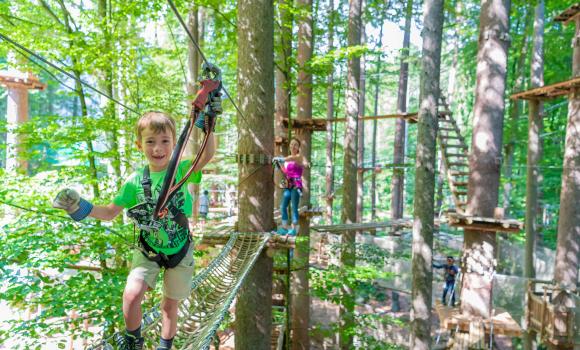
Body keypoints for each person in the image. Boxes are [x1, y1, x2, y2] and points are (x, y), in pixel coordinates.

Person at [52, 110, 216, 350]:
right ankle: (133, 340)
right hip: (149, 249)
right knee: (131, 295)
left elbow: (207, 154)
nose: (157, 148)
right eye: (150, 142)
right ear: (140, 145)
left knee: (169, 306)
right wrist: (80, 207)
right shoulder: (134, 181)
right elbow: (109, 212)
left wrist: (209, 123)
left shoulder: (180, 171)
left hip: (180, 250)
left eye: (164, 142)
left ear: (174, 144)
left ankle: (165, 346)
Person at [272, 138, 307, 236]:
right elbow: (286, 171)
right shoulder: (288, 159)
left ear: (299, 147)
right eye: (291, 144)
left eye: (295, 144)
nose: (293, 146)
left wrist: (282, 159)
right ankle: (284, 228)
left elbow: (292, 159)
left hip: (296, 185)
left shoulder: (299, 157)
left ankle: (294, 229)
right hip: (289, 184)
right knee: (283, 206)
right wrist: (279, 165)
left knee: (294, 207)